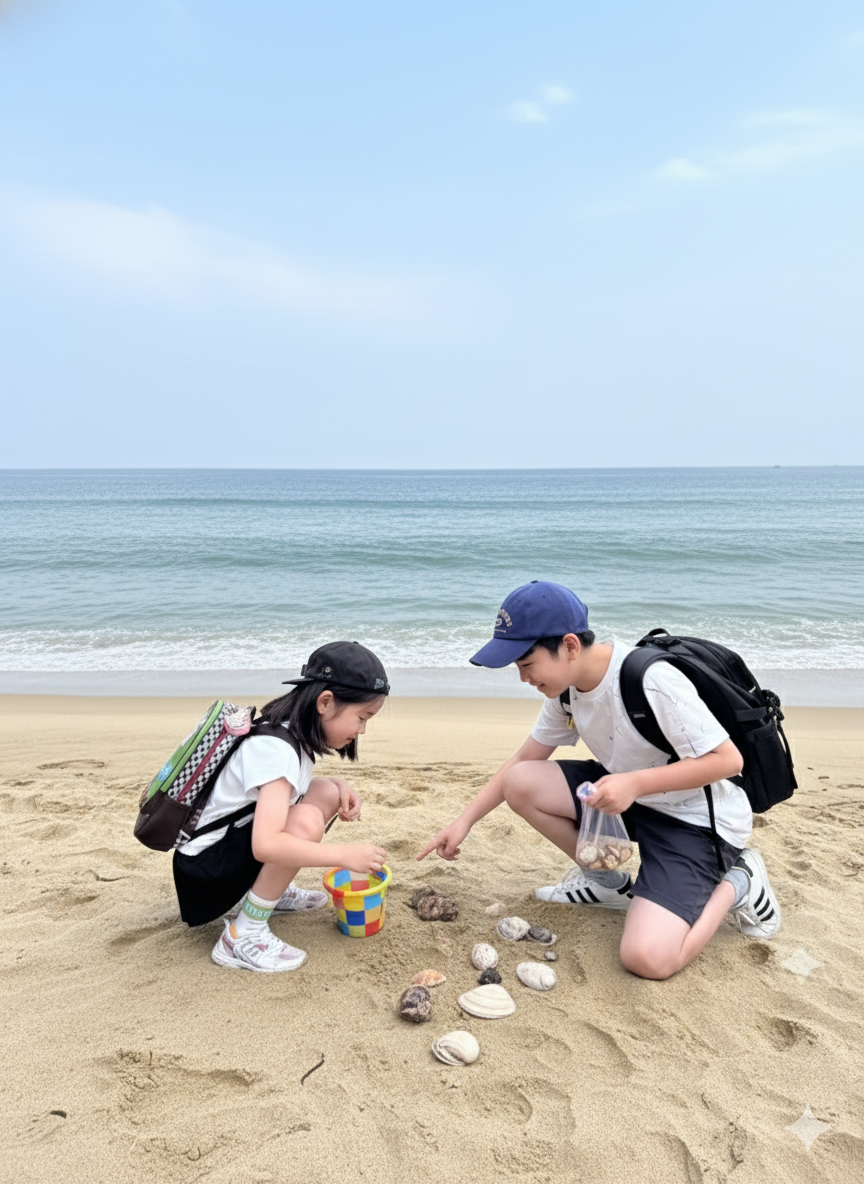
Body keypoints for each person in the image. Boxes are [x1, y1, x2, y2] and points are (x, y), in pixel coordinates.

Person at [418, 581, 781, 980]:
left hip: (693, 821)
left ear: (570, 646)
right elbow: (522, 760)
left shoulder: (649, 679)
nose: (523, 678)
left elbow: (728, 760)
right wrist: (464, 822)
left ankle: (741, 880)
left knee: (647, 959)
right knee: (520, 781)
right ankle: (607, 883)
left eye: (526, 665)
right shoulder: (565, 692)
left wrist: (634, 785)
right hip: (627, 797)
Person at [173, 641, 389, 973]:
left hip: (218, 855)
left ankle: (273, 890)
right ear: (325, 702)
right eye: (362, 717)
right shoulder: (277, 750)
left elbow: (284, 796)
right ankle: (243, 934)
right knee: (306, 823)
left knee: (327, 793)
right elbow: (266, 844)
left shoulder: (285, 732)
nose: (362, 729)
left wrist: (338, 786)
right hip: (206, 875)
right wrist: (345, 855)